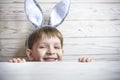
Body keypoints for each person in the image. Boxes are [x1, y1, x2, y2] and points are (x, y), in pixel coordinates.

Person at [8, 26, 93, 63]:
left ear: (62, 53)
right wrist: (17, 66)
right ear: (30, 54)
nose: (51, 52)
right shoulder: (25, 70)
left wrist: (85, 66)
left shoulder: (67, 70)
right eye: (42, 47)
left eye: (56, 47)